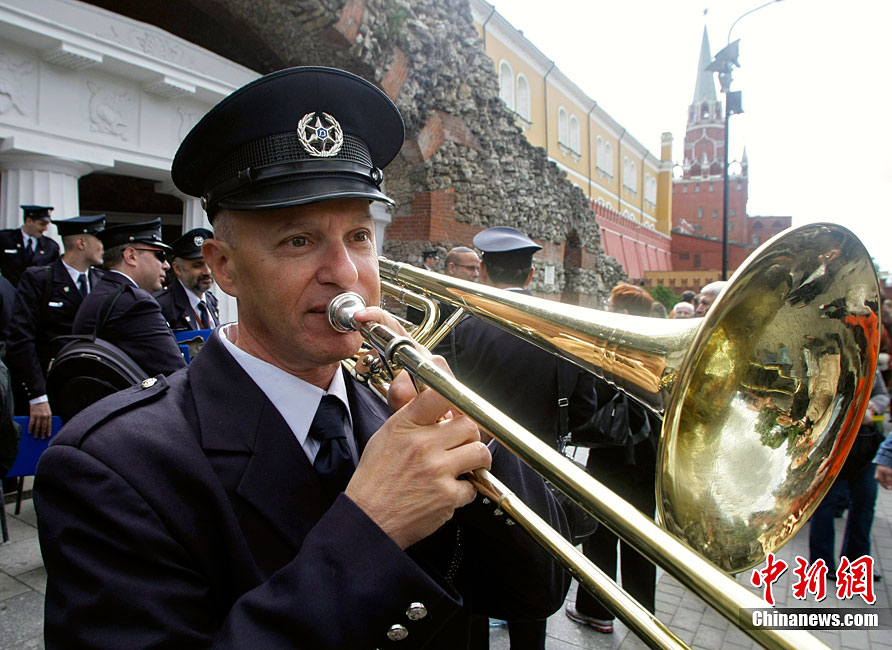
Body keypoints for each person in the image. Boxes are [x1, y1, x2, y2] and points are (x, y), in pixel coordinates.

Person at [34, 66, 569, 650]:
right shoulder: (112, 465)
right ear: (224, 267)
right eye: (298, 240)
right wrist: (372, 529)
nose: (346, 273)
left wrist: (474, 431)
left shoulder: (394, 413)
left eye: (359, 236)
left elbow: (536, 594)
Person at [439, 226, 598, 650]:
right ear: (530, 275)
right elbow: (584, 410)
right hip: (540, 473)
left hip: (477, 469)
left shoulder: (460, 325)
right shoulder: (561, 330)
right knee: (534, 575)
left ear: (484, 271)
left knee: (474, 574)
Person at [566, 282, 659, 635]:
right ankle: (643, 613)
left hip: (614, 452)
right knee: (641, 534)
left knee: (601, 531)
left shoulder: (612, 349)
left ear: (621, 312)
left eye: (610, 304)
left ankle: (597, 610)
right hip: (650, 452)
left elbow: (596, 397)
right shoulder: (655, 349)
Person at [6, 215, 106, 438]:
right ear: (81, 243)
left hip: (91, 391)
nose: (103, 247)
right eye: (99, 240)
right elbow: (21, 340)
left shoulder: (103, 282)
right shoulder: (40, 279)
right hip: (49, 394)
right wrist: (37, 396)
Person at [71, 219, 185, 378]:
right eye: (160, 255)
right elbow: (176, 372)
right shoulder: (135, 303)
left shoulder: (104, 290)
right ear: (131, 256)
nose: (166, 265)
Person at [809, 370, 888, 574]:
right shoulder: (831, 363)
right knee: (825, 505)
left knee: (864, 506)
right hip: (833, 446)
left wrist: (873, 406)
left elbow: (881, 394)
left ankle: (857, 564)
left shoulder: (872, 367)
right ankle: (821, 564)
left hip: (865, 449)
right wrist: (855, 410)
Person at [154, 227, 220, 331]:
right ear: (177, 268)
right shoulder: (161, 305)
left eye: (210, 263)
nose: (207, 272)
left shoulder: (211, 301)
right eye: (198, 265)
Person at [406, 245, 479, 326]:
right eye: (471, 268)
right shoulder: (427, 300)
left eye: (477, 269)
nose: (476, 274)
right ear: (452, 268)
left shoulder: (471, 298)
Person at [0, 205, 61, 287]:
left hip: (36, 293)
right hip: (9, 292)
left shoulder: (51, 247)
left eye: (47, 225)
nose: (45, 228)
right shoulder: (5, 239)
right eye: (42, 224)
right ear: (29, 221)